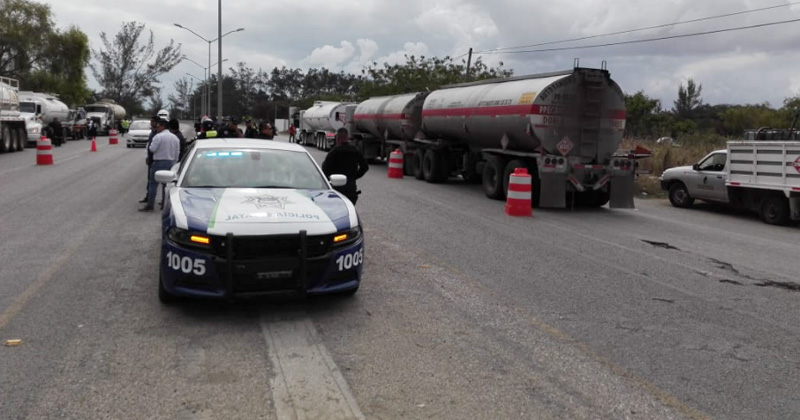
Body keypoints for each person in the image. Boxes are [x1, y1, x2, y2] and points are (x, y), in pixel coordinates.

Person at [140, 119, 180, 212]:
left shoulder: (158, 137)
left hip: (159, 162)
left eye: (158, 126)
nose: (157, 128)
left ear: (163, 126)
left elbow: (152, 149)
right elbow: (177, 152)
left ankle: (150, 205)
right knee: (166, 184)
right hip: (170, 162)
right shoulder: (175, 138)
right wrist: (174, 163)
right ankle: (164, 204)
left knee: (153, 183)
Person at [322, 128, 369, 204]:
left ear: (337, 138)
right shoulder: (355, 150)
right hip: (350, 188)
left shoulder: (334, 151)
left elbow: (324, 169)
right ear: (347, 138)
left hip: (336, 188)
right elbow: (365, 167)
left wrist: (330, 179)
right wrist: (354, 177)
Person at [139, 116, 160, 204]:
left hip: (156, 159)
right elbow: (149, 145)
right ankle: (148, 196)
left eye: (152, 121)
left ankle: (151, 201)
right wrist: (147, 156)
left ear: (156, 122)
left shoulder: (158, 133)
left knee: (153, 181)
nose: (151, 123)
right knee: (150, 180)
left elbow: (153, 147)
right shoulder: (153, 131)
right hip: (151, 158)